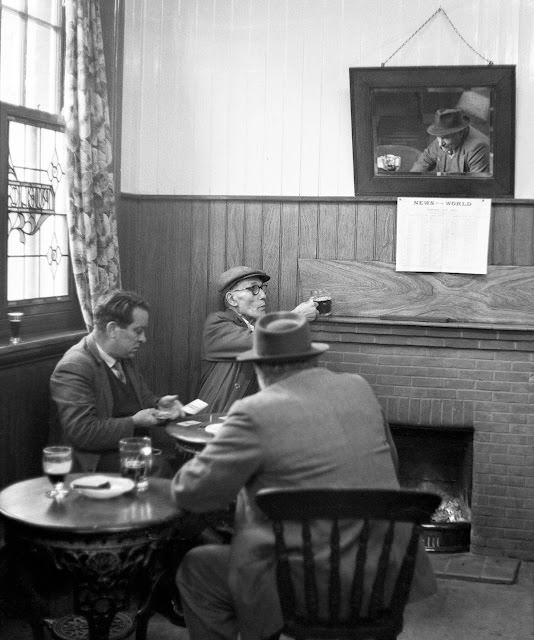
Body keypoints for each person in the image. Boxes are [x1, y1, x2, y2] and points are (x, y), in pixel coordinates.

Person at [171, 311, 436, 640]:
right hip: (381, 573)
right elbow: (392, 463)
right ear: (312, 360)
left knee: (197, 568)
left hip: (308, 586)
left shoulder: (253, 410)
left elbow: (191, 493)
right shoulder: (359, 387)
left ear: (260, 368)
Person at [50, 289, 185, 473]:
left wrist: (160, 406)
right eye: (138, 331)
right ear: (112, 329)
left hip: (133, 449)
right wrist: (134, 422)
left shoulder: (123, 356)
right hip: (95, 461)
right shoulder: (75, 366)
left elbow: (142, 401)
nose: (143, 339)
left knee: (184, 461)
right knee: (159, 468)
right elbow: (82, 433)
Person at [197, 265, 318, 413]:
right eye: (253, 289)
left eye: (261, 288)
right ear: (232, 299)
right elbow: (259, 341)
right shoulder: (216, 324)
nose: (262, 295)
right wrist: (295, 317)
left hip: (249, 417)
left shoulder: (259, 324)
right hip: (214, 419)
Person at [410, 108, 490, 175]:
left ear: (460, 133)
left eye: (445, 137)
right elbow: (422, 163)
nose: (440, 144)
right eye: (438, 137)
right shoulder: (441, 138)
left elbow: (478, 186)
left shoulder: (478, 147)